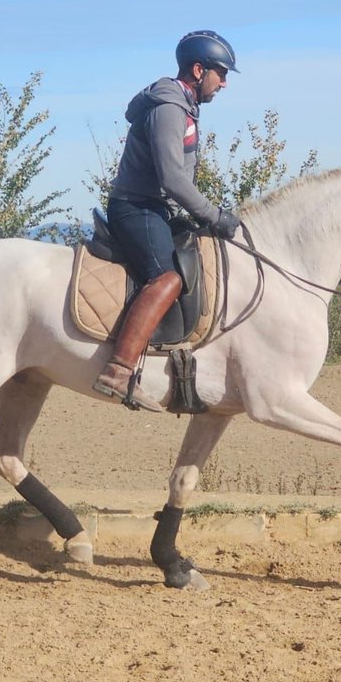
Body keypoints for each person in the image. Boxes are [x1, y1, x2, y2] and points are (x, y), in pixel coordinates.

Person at [92, 30, 242, 412]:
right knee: (168, 278)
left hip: (155, 209)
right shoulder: (170, 108)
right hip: (135, 208)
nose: (223, 82)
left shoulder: (184, 105)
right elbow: (172, 179)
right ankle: (120, 370)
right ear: (198, 69)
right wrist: (213, 215)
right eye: (220, 73)